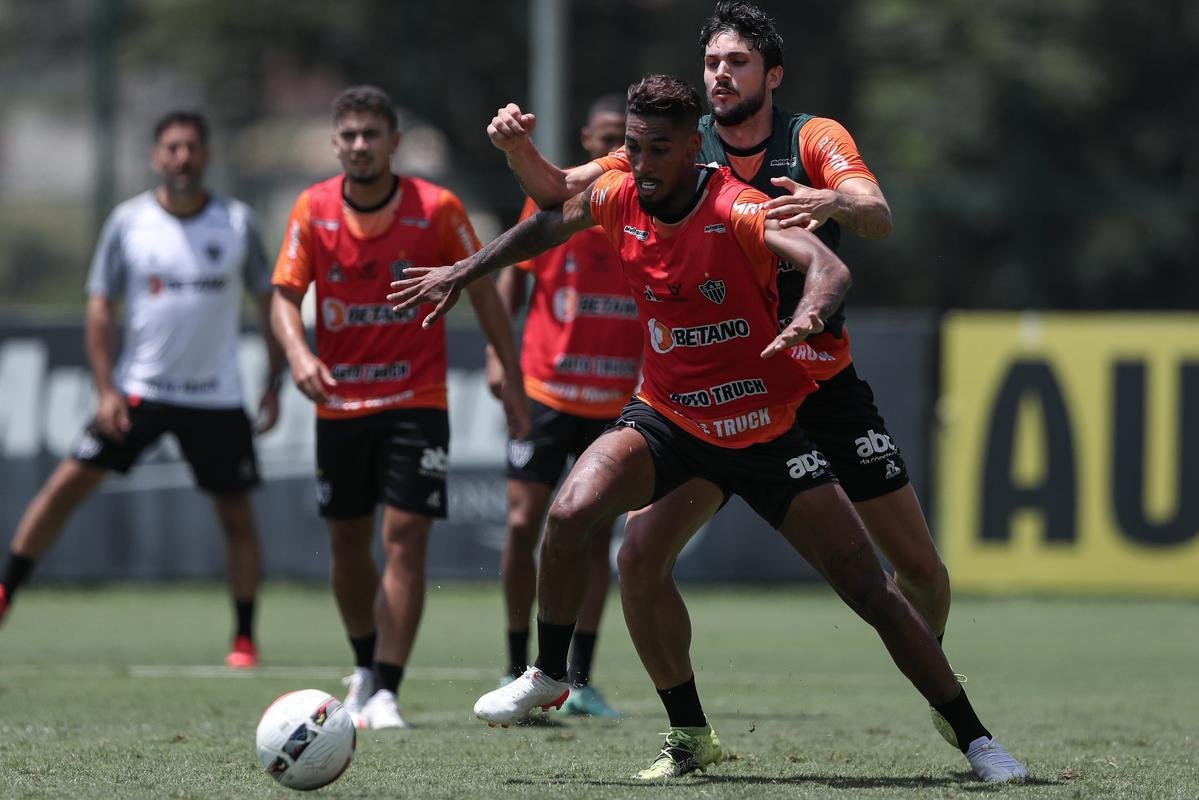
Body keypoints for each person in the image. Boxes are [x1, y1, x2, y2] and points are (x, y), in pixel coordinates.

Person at [390, 74, 1029, 784]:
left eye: (658, 149)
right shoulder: (616, 192)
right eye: (632, 146)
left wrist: (809, 312)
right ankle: (562, 678)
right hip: (669, 419)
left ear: (691, 146)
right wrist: (463, 267)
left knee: (869, 591)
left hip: (762, 427)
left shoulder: (735, 204)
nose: (641, 162)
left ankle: (975, 739)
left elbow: (826, 266)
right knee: (574, 516)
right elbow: (546, 222)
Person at [487, 0, 958, 743]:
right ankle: (687, 736)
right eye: (711, 61)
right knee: (639, 555)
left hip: (820, 378)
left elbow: (875, 211)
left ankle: (936, 686)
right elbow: (563, 191)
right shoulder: (672, 139)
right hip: (721, 393)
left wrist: (831, 198)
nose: (719, 74)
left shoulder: (812, 137)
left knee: (920, 572)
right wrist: (518, 149)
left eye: (736, 62)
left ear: (771, 73)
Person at [271, 85, 530, 730]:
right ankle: (364, 666)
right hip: (340, 405)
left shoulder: (436, 209)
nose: (361, 146)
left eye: (372, 135)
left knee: (405, 540)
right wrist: (299, 356)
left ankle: (386, 687)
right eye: (350, 135)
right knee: (348, 545)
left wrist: (509, 370)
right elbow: (282, 297)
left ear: (393, 142)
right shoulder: (312, 209)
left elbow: (485, 292)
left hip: (417, 401)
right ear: (337, 144)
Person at [0, 111, 283, 669]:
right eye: (172, 148)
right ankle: (6, 591)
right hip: (139, 392)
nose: (183, 157)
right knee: (65, 487)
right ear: (156, 156)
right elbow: (101, 307)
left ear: (205, 155)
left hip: (215, 396)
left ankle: (244, 638)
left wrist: (273, 384)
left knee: (236, 516)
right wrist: (106, 389)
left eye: (192, 147)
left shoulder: (237, 222)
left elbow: (269, 303)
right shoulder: (128, 222)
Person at [485, 94, 640, 718]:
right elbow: (513, 271)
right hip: (547, 389)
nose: (613, 151)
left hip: (615, 397)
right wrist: (502, 360)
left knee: (596, 537)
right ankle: (516, 660)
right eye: (604, 138)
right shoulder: (556, 203)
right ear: (587, 141)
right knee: (525, 525)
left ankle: (579, 678)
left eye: (621, 141)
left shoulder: (646, 205)